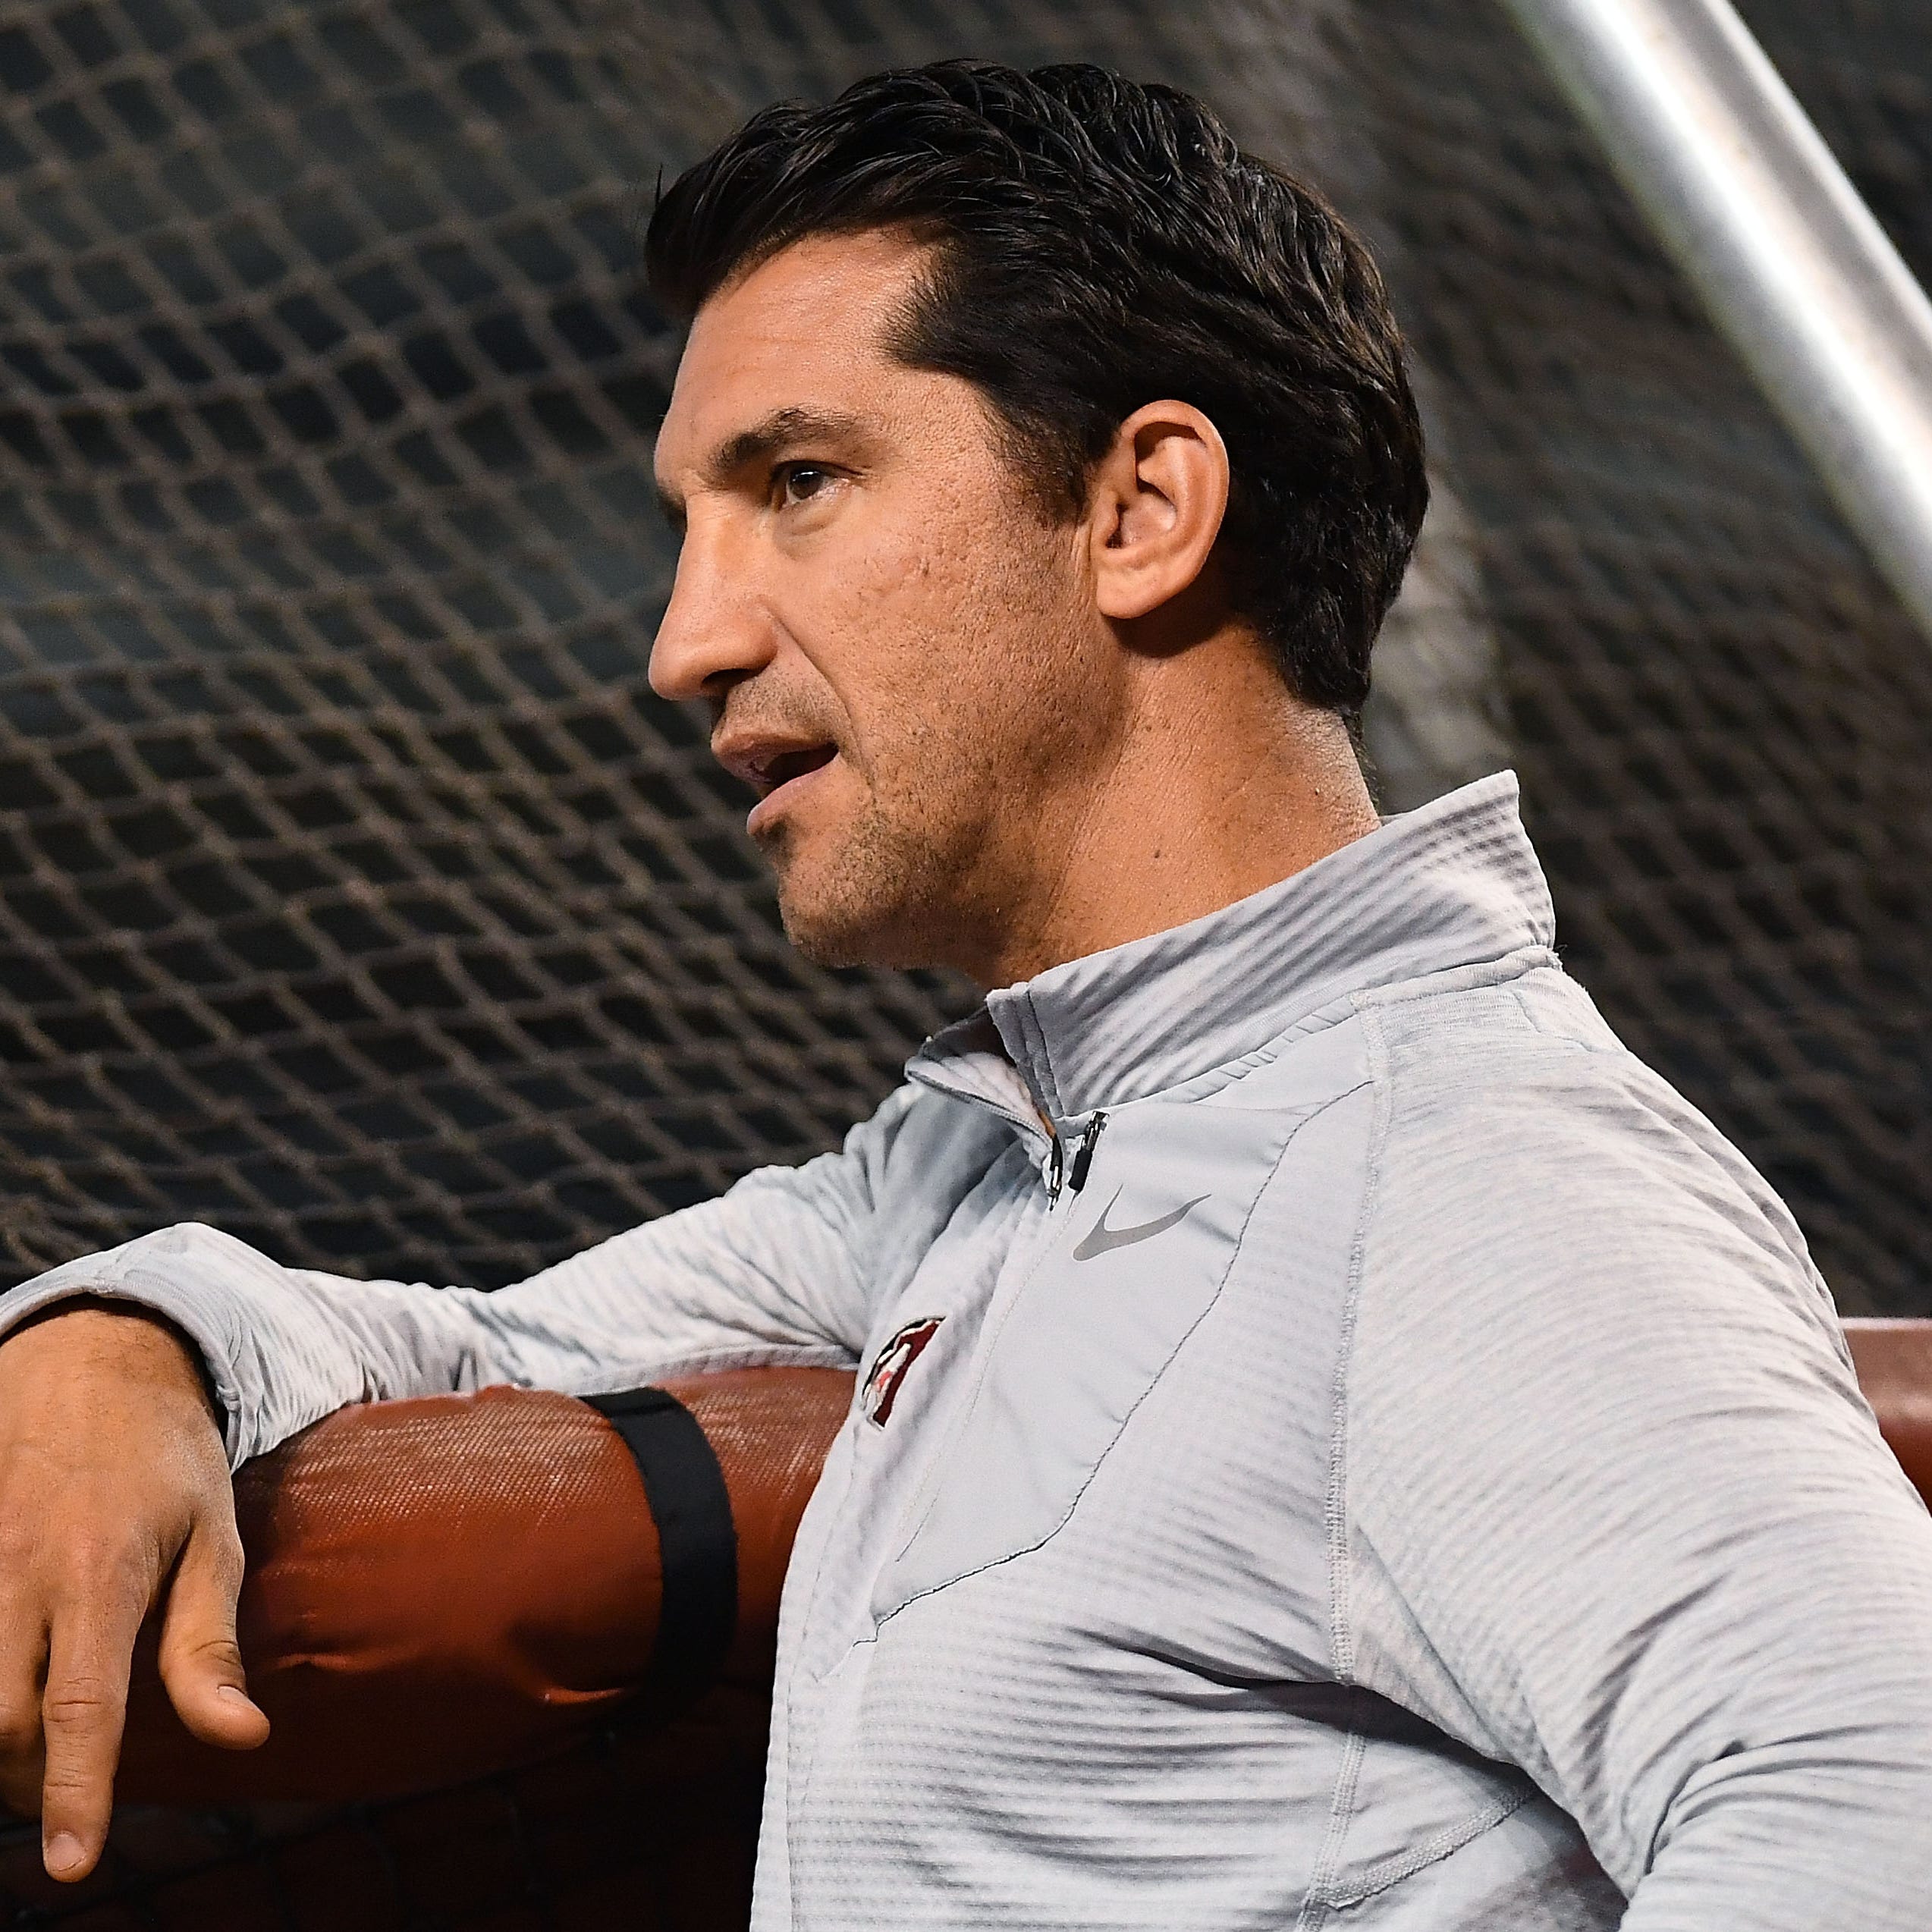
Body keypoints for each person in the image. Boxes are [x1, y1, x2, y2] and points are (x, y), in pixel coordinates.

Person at [0, 57, 1928, 1930]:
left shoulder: (1456, 1175)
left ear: (1138, 511)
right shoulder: (991, 1169)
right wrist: (122, 1332)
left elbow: (1875, 1797)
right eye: (694, 522)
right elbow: (468, 1349)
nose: (688, 638)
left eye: (801, 481)